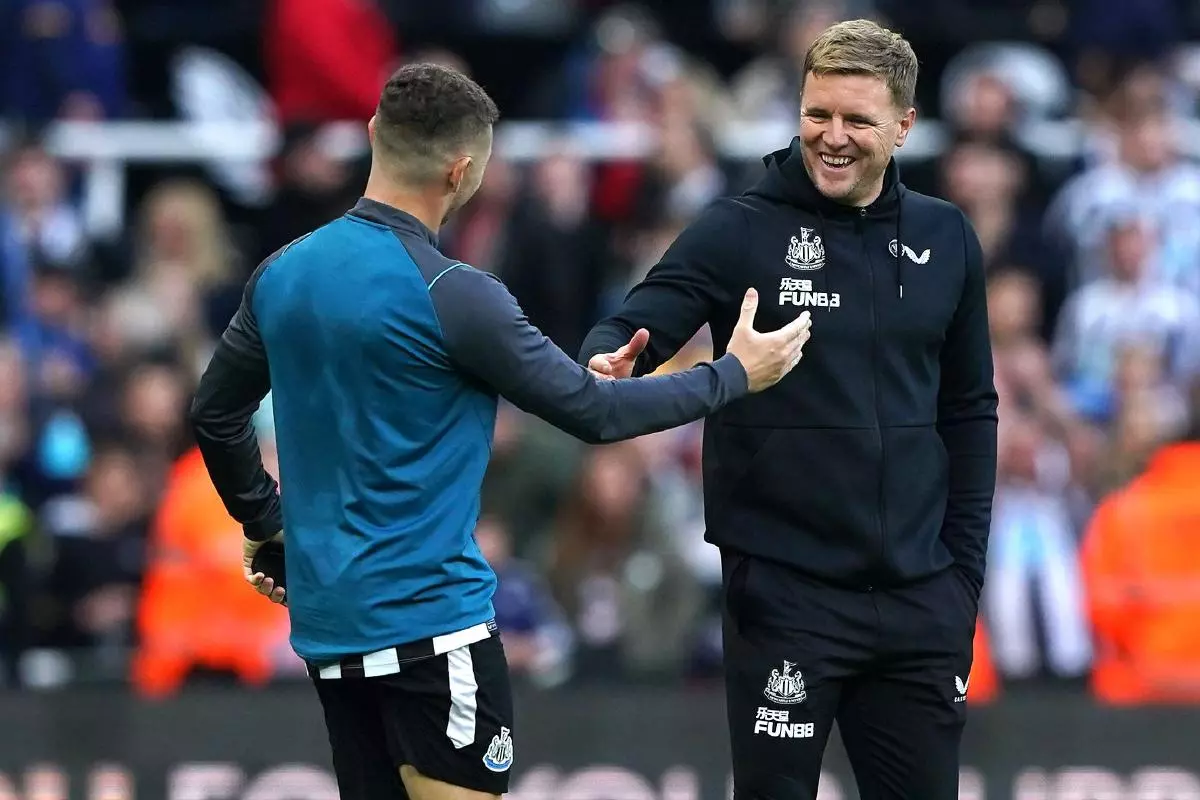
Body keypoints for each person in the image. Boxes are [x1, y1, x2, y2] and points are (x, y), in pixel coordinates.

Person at [188, 63, 813, 800]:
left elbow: (214, 413)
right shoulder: (453, 293)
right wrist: (733, 374)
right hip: (433, 634)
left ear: (371, 138)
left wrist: (266, 521)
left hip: (335, 639)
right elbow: (594, 415)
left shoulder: (282, 273)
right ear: (463, 173)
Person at [579, 19, 999, 800]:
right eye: (817, 114)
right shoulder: (739, 229)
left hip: (920, 603)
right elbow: (627, 327)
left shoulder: (948, 237)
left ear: (904, 126)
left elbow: (971, 412)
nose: (832, 137)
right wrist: (610, 357)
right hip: (788, 601)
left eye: (857, 120)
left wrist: (961, 578)